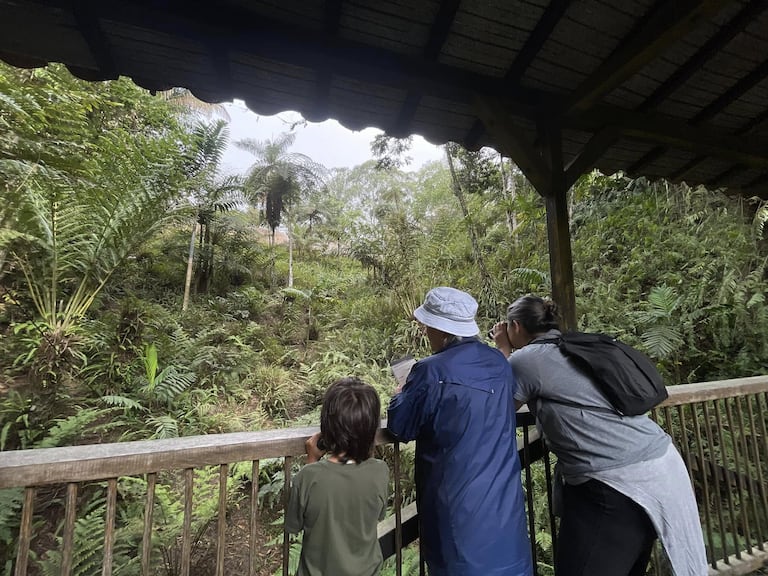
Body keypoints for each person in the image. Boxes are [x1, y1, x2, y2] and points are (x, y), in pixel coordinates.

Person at [491, 294, 707, 576]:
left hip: (615, 481)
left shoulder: (526, 360)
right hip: (659, 465)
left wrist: (503, 351)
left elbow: (495, 408)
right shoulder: (575, 346)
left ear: (516, 326)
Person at [388, 286, 533, 576]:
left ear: (441, 331)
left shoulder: (430, 371)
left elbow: (400, 426)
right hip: (503, 507)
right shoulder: (499, 363)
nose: (426, 332)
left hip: (456, 512)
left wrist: (401, 393)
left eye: (427, 326)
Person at [285, 377, 389, 576]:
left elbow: (294, 525)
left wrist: (312, 460)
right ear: (371, 428)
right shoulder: (380, 471)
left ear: (327, 426)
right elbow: (378, 515)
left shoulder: (308, 476)